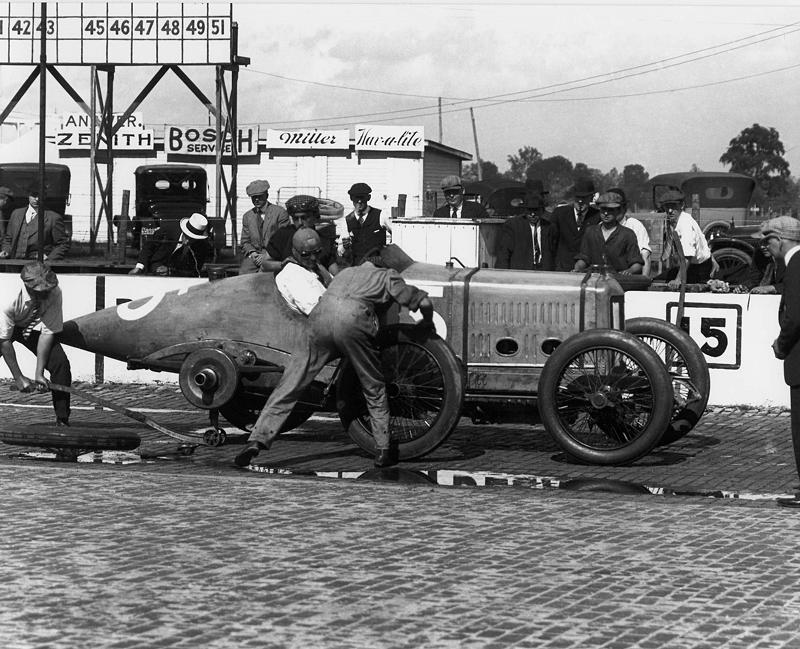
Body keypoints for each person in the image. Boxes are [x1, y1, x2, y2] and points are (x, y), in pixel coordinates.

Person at [235, 248, 435, 469]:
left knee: (291, 384)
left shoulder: (346, 273)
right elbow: (422, 303)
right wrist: (427, 323)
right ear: (387, 266)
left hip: (319, 321)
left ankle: (257, 440)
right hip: (352, 322)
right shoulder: (387, 276)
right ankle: (383, 450)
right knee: (373, 386)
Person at [751, 218, 800, 508]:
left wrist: (781, 345)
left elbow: (795, 317)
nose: (766, 247)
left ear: (780, 240)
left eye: (767, 241)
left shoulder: (794, 267)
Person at [0, 262, 71, 426]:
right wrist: (19, 378)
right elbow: (4, 341)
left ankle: (62, 419)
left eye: (48, 289)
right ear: (28, 287)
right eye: (42, 291)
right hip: (2, 329)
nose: (47, 294)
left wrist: (38, 374)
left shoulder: (54, 292)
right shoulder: (7, 298)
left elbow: (47, 333)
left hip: (25, 325)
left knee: (60, 363)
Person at [262, 195, 338, 277]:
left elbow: (333, 269)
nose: (300, 222)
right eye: (295, 218)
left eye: (304, 218)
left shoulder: (324, 239)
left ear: (315, 217)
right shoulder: (282, 235)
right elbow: (265, 264)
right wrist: (282, 264)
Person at [657, 189, 717, 288]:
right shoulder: (674, 220)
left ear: (682, 205)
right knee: (659, 280)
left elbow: (688, 256)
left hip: (698, 269)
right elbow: (701, 240)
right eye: (667, 206)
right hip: (689, 265)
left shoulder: (685, 224)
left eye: (673, 206)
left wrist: (678, 279)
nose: (670, 210)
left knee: (662, 283)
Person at [572, 191, 643, 274]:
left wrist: (629, 271)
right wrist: (577, 268)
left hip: (619, 281)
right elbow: (584, 258)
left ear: (618, 211)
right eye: (603, 209)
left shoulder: (627, 234)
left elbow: (637, 264)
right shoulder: (591, 232)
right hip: (594, 280)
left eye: (610, 210)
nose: (606, 213)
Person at [129, 212, 212, 277]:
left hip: (179, 273)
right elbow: (149, 245)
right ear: (183, 231)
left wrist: (171, 271)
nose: (187, 242)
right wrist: (139, 267)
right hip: (157, 264)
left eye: (192, 239)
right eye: (187, 237)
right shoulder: (168, 230)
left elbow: (194, 272)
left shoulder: (201, 247)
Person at [0, 186, 70, 261]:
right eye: (34, 195)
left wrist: (49, 258)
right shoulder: (16, 214)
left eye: (40, 196)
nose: (37, 199)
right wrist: (6, 251)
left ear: (45, 196)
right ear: (28, 195)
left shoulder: (53, 218)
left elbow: (63, 244)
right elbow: (8, 239)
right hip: (15, 263)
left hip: (38, 266)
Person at [238, 179, 290, 274]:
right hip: (255, 257)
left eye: (259, 196)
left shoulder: (280, 212)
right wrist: (252, 253)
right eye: (253, 197)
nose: (256, 200)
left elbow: (284, 240)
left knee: (266, 278)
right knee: (243, 275)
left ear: (267, 195)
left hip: (274, 256)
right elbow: (245, 241)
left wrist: (266, 255)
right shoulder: (247, 216)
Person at [548, 178, 601, 271]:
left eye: (584, 198)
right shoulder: (559, 213)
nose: (580, 201)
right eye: (578, 197)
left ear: (591, 198)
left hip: (586, 271)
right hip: (561, 269)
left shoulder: (597, 217)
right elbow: (551, 241)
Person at [495, 192, 554, 270]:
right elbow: (503, 253)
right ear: (525, 210)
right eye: (529, 210)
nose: (532, 214)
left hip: (543, 271)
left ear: (542, 211)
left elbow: (554, 252)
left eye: (535, 210)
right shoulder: (513, 226)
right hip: (521, 271)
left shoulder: (548, 227)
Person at [339, 182, 391, 266]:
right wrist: (345, 247)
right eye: (356, 198)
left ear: (368, 198)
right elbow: (341, 251)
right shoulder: (347, 220)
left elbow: (397, 235)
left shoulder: (380, 215)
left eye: (362, 197)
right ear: (351, 198)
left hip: (378, 268)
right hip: (358, 269)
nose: (359, 201)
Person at [605, 187, 652, 276]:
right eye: (608, 208)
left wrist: (643, 282)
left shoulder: (634, 225)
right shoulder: (599, 228)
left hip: (628, 276)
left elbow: (645, 256)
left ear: (624, 208)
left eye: (618, 208)